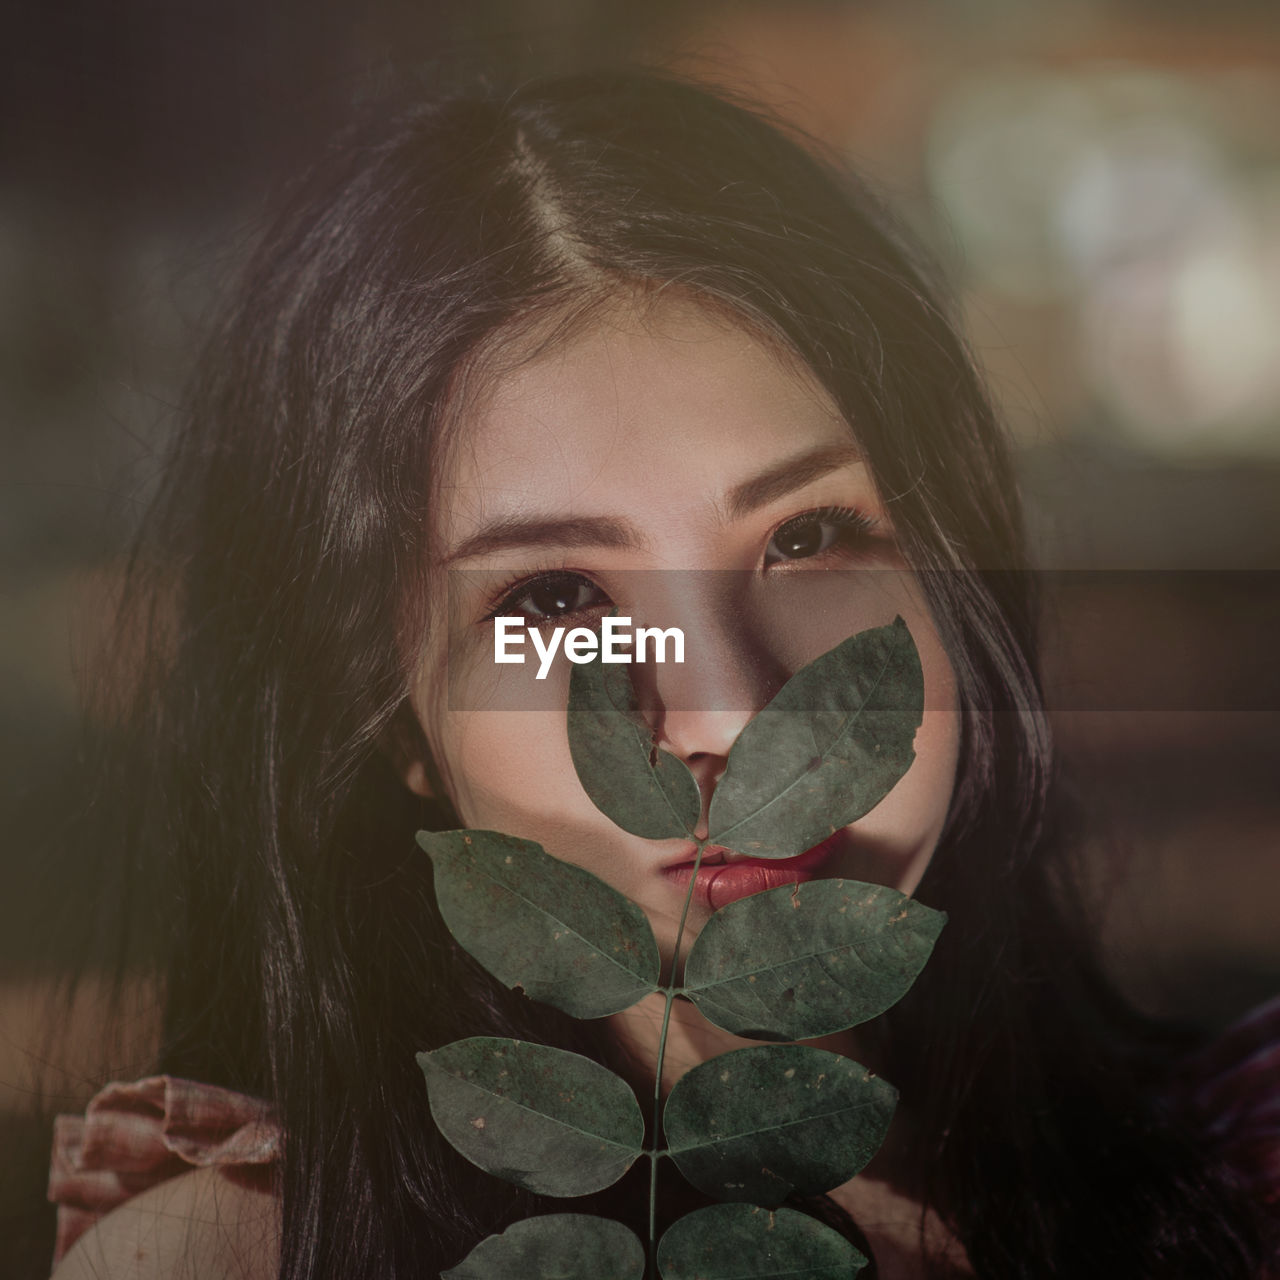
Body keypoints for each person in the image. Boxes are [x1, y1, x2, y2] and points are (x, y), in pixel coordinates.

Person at [45, 71, 1277, 1279]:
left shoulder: (1242, 1173)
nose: (732, 713)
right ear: (392, 720)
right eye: (556, 598)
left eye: (806, 537)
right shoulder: (247, 1248)